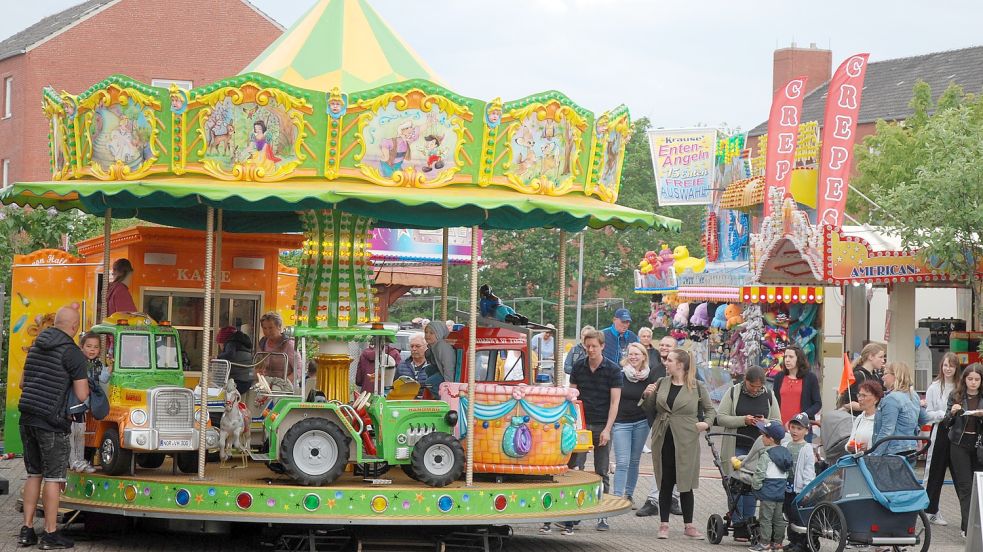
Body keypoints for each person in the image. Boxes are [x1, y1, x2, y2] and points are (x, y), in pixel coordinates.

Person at [17, 306, 90, 549]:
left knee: (33, 473)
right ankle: (49, 534)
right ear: (75, 326)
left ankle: (27, 531)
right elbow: (81, 395)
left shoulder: (37, 345)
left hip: (27, 417)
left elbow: (22, 383)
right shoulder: (73, 354)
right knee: (53, 477)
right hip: (51, 421)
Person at [545, 329, 622, 534]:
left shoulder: (613, 370)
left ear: (602, 346)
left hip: (601, 423)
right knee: (574, 467)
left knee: (601, 469)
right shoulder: (579, 366)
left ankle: (602, 513)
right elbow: (573, 396)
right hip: (581, 423)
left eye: (594, 346)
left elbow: (615, 402)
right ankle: (572, 514)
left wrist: (607, 428)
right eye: (587, 346)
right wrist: (571, 424)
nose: (590, 350)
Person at [640, 348, 715, 540]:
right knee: (665, 480)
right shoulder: (661, 382)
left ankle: (688, 525)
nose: (666, 363)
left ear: (680, 365)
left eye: (670, 360)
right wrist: (646, 395)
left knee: (685, 482)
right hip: (663, 436)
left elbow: (710, 410)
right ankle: (664, 524)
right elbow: (649, 408)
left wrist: (705, 424)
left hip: (686, 438)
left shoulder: (697, 386)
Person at [714, 367, 781, 540]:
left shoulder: (768, 395)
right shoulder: (733, 392)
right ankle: (738, 523)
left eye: (759, 387)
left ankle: (749, 522)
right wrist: (744, 420)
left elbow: (777, 421)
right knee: (735, 484)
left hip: (758, 447)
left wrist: (764, 422)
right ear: (746, 381)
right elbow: (720, 417)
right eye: (753, 386)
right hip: (736, 444)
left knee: (752, 484)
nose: (756, 390)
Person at [637, 334, 683, 518]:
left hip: (680, 427)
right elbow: (648, 399)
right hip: (659, 424)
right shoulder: (655, 371)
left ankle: (672, 497)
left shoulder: (686, 373)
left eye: (668, 345)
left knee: (677, 463)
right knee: (660, 463)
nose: (664, 347)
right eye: (662, 344)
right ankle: (653, 500)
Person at [611, 342, 657, 507]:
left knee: (634, 461)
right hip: (621, 422)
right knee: (622, 461)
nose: (633, 357)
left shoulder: (649, 376)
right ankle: (617, 497)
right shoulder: (620, 374)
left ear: (644, 356)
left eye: (637, 354)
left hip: (641, 422)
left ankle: (629, 494)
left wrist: (646, 395)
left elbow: (651, 402)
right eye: (630, 354)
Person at [941, 362, 983, 538]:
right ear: (964, 379)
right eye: (970, 379)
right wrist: (952, 412)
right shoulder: (956, 395)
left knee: (979, 487)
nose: (973, 382)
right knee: (965, 487)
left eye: (977, 379)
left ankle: (978, 526)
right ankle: (967, 528)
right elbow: (946, 423)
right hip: (959, 443)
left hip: (979, 444)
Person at [923, 352, 960, 526]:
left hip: (958, 432)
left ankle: (969, 515)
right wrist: (943, 414)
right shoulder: (935, 387)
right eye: (945, 365)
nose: (948, 369)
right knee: (935, 471)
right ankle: (930, 510)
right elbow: (928, 413)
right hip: (940, 431)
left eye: (951, 366)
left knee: (960, 474)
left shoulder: (961, 386)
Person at [748, 420, 793, 552]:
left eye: (764, 435)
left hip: (767, 492)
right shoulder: (785, 452)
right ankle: (778, 543)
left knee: (765, 519)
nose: (762, 437)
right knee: (778, 518)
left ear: (771, 439)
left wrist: (755, 486)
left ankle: (765, 543)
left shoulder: (766, 454)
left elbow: (760, 473)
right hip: (780, 492)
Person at [69, 332, 109, 475]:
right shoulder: (78, 362)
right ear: (82, 347)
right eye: (89, 346)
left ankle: (83, 459)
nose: (92, 350)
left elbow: (103, 379)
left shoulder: (99, 364)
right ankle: (73, 460)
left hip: (90, 402)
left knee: (84, 432)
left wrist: (110, 368)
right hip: (78, 400)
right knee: (74, 431)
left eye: (96, 347)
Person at [872, 361, 927, 457]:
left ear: (895, 376)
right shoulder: (913, 395)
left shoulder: (891, 398)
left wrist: (874, 455)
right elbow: (924, 418)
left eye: (885, 373)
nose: (882, 377)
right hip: (911, 449)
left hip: (893, 452)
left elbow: (887, 430)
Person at [783, 413, 817, 552]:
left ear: (806, 431)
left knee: (799, 517)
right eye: (793, 427)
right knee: (789, 514)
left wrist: (807, 490)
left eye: (799, 428)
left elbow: (809, 470)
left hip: (799, 489)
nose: (795, 431)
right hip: (786, 487)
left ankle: (801, 543)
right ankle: (792, 541)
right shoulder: (786, 444)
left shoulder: (807, 448)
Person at [772, 346, 822, 427]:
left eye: (791, 357)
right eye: (785, 357)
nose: (787, 360)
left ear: (799, 359)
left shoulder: (810, 378)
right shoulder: (779, 376)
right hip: (781, 427)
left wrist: (805, 414)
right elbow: (775, 402)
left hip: (801, 427)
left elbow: (817, 404)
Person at [840, 342, 886, 414]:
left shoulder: (876, 376)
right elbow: (847, 402)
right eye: (880, 357)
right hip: (858, 419)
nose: (883, 361)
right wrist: (869, 408)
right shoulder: (858, 375)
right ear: (870, 357)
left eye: (884, 357)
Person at [258, 312, 299, 387]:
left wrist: (284, 382)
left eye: (270, 328)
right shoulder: (263, 343)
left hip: (285, 388)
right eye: (264, 328)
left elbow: (299, 369)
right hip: (267, 385)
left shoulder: (289, 344)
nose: (267, 331)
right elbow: (259, 364)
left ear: (279, 327)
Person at [846, 380, 883, 453]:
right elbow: (849, 442)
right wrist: (849, 447)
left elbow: (882, 444)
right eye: (859, 395)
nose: (860, 399)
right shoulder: (859, 418)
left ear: (876, 399)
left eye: (864, 396)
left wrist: (869, 447)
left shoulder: (880, 420)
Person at [217, 326, 254, 395]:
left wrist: (217, 357)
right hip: (248, 380)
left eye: (220, 344)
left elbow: (229, 355)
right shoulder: (243, 344)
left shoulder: (231, 343)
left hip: (238, 380)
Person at [423, 321, 456, 396]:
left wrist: (448, 385)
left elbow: (449, 366)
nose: (427, 335)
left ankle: (443, 398)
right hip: (442, 370)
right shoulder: (433, 346)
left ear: (439, 333)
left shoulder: (442, 346)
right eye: (426, 332)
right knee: (428, 369)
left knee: (430, 382)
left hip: (449, 374)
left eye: (431, 333)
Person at [395, 333, 429, 398]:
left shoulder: (432, 366)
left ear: (426, 347)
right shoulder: (402, 366)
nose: (414, 349)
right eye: (412, 346)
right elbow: (395, 388)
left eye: (417, 346)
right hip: (406, 404)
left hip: (426, 405)